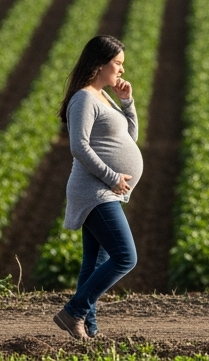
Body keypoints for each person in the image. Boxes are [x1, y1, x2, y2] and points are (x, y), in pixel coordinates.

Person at [53, 35, 142, 341]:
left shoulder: (103, 96)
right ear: (100, 64)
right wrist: (112, 177)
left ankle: (87, 329)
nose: (121, 70)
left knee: (96, 262)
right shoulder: (83, 99)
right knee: (125, 257)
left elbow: (129, 138)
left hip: (105, 190)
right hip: (95, 191)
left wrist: (127, 103)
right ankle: (74, 312)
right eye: (117, 63)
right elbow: (78, 146)